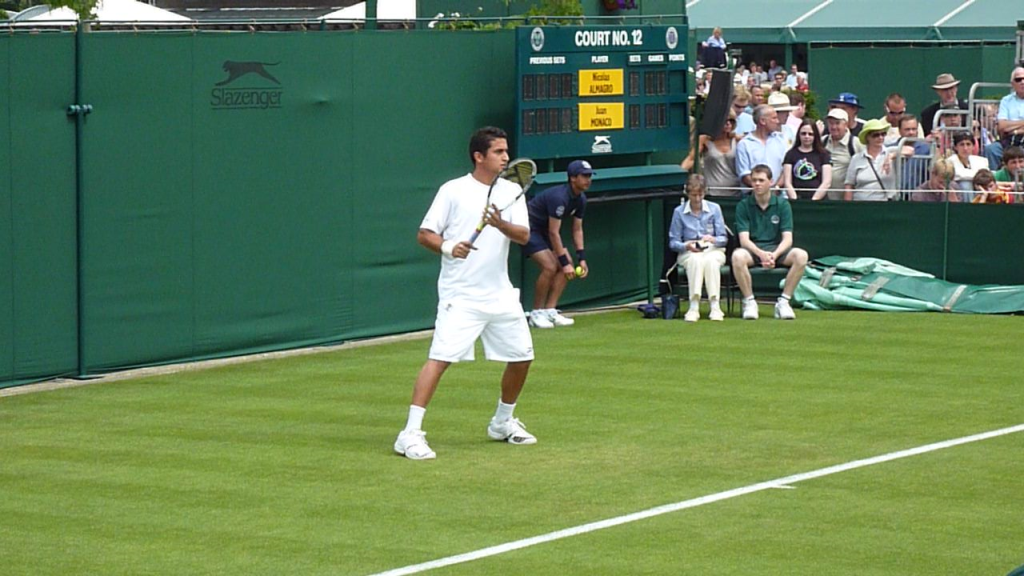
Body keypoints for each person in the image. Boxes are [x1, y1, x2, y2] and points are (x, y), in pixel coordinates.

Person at [394, 126, 536, 461]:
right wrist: (448, 246)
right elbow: (425, 234)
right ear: (479, 156)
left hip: (500, 294)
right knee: (440, 360)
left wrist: (500, 224)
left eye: (506, 151)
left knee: (522, 358)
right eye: (498, 152)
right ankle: (409, 434)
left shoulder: (512, 191)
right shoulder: (452, 190)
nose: (505, 157)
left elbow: (524, 236)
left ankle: (502, 422)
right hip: (461, 296)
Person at [732, 164, 808, 320]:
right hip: (753, 251)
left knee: (801, 256)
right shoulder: (743, 205)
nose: (757, 184)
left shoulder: (783, 205)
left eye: (761, 180)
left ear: (770, 182)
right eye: (754, 180)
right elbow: (744, 240)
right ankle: (749, 302)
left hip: (776, 250)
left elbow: (788, 239)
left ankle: (784, 302)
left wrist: (774, 255)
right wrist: (761, 254)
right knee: (737, 256)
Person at [524, 160, 591, 329]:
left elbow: (577, 229)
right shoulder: (559, 198)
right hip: (529, 227)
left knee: (566, 266)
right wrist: (564, 262)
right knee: (550, 266)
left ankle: (550, 310)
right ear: (573, 178)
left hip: (545, 231)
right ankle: (536, 313)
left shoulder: (581, 199)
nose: (588, 180)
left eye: (590, 176)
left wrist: (582, 258)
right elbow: (554, 232)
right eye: (584, 176)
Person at [667, 175, 728, 322]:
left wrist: (713, 239)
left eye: (700, 194)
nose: (697, 199)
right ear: (687, 193)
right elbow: (673, 242)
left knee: (711, 261)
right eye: (694, 195)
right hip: (689, 252)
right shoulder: (678, 212)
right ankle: (693, 306)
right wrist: (686, 245)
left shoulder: (715, 208)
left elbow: (723, 238)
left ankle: (715, 306)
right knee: (696, 260)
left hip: (713, 249)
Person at [681, 109, 741, 196]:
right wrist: (679, 174)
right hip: (712, 191)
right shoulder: (704, 139)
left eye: (731, 121)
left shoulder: (738, 140)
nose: (728, 123)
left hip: (735, 191)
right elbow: (691, 159)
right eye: (724, 120)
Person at [735, 104, 788, 192]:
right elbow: (744, 174)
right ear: (763, 121)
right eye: (774, 118)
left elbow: (786, 169)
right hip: (752, 195)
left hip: (778, 194)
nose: (777, 121)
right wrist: (762, 189)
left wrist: (776, 187)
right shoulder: (744, 144)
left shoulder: (781, 141)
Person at [844, 119, 897, 201]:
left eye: (883, 134)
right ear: (867, 137)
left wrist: (890, 157)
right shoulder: (856, 158)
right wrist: (848, 206)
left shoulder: (891, 151)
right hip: (860, 203)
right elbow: (849, 185)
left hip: (885, 204)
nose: (880, 137)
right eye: (875, 135)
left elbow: (909, 150)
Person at [983, 67, 1024, 170]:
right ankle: (996, 178)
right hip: (1008, 140)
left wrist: (1013, 129)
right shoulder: (1006, 101)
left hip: (1017, 137)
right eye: (1018, 79)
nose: (1022, 82)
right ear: (1012, 84)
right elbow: (1002, 126)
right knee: (991, 149)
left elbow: (1006, 126)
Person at [782, 119, 832, 200]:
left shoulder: (824, 154)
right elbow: (787, 182)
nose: (807, 136)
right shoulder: (790, 154)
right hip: (796, 199)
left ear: (815, 135)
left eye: (810, 134)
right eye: (803, 133)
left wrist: (814, 200)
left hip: (819, 200)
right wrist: (795, 200)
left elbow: (826, 182)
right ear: (798, 135)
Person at [822, 108, 863, 200]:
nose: (833, 127)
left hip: (846, 199)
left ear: (846, 124)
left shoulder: (856, 143)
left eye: (837, 123)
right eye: (831, 123)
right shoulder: (822, 141)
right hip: (823, 198)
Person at [948, 132, 989, 201]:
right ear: (955, 147)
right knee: (966, 184)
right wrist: (977, 178)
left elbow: (986, 177)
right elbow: (958, 175)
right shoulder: (950, 162)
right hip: (958, 192)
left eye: (968, 144)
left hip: (978, 189)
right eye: (962, 145)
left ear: (973, 146)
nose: (965, 148)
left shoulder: (981, 160)